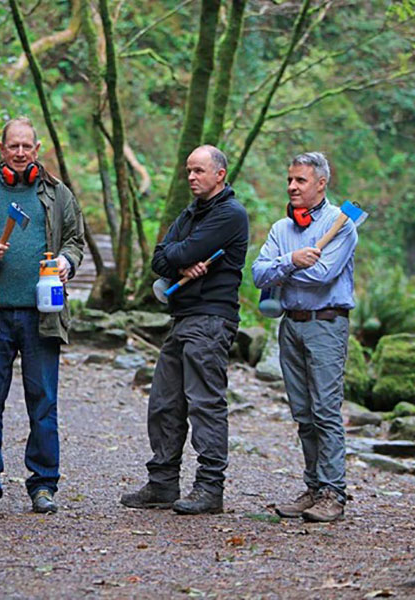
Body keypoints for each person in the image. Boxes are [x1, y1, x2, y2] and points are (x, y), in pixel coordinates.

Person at [0, 117, 84, 514]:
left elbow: (76, 241)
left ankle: (43, 486)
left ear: (37, 149)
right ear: (1, 148)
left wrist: (66, 261)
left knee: (43, 403)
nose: (20, 153)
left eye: (27, 146)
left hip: (44, 313)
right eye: (14, 146)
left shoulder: (58, 195)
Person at [121, 145, 248, 515]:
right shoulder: (191, 211)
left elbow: (179, 251)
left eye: (198, 171)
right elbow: (161, 258)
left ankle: (210, 488)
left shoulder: (230, 215)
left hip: (211, 319)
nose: (191, 177)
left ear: (219, 174)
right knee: (164, 402)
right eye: (188, 171)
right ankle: (162, 483)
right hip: (183, 318)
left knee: (205, 403)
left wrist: (179, 257)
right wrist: (179, 266)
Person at [252, 152, 357, 523]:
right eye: (290, 180)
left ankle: (334, 492)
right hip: (290, 325)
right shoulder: (282, 229)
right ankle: (313, 488)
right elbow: (258, 274)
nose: (292, 186)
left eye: (300, 180)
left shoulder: (343, 224)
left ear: (321, 183)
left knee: (326, 410)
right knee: (303, 412)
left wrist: (284, 268)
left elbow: (324, 274)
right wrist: (292, 260)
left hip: (326, 323)